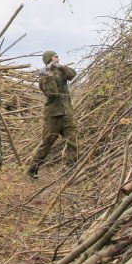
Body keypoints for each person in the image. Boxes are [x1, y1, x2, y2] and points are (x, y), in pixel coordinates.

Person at [27, 50, 78, 180]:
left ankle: (70, 171)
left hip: (67, 112)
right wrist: (48, 75)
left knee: (72, 141)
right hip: (53, 116)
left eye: (57, 56)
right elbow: (52, 93)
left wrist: (61, 67)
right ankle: (33, 169)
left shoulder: (61, 71)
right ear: (49, 59)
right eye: (55, 56)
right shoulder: (43, 76)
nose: (57, 58)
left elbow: (73, 74)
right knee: (47, 143)